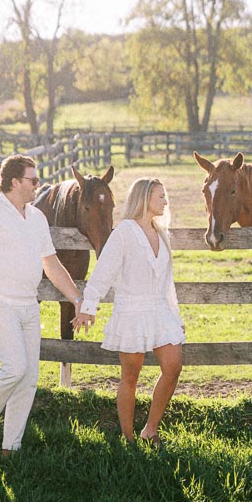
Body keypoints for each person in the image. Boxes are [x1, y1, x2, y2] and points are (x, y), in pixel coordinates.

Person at [0, 154, 84, 460]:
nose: (37, 185)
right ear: (15, 182)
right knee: (14, 368)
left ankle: (10, 449)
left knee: (28, 379)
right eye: (32, 180)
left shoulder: (37, 217)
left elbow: (51, 264)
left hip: (29, 305)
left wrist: (77, 299)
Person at [75, 177, 184, 447]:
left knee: (173, 367)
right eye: (161, 196)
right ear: (145, 198)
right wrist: (89, 307)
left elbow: (167, 282)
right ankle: (128, 438)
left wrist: (175, 317)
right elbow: (102, 273)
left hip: (159, 310)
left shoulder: (162, 232)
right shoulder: (124, 232)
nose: (165, 201)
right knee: (131, 376)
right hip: (132, 311)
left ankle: (151, 429)